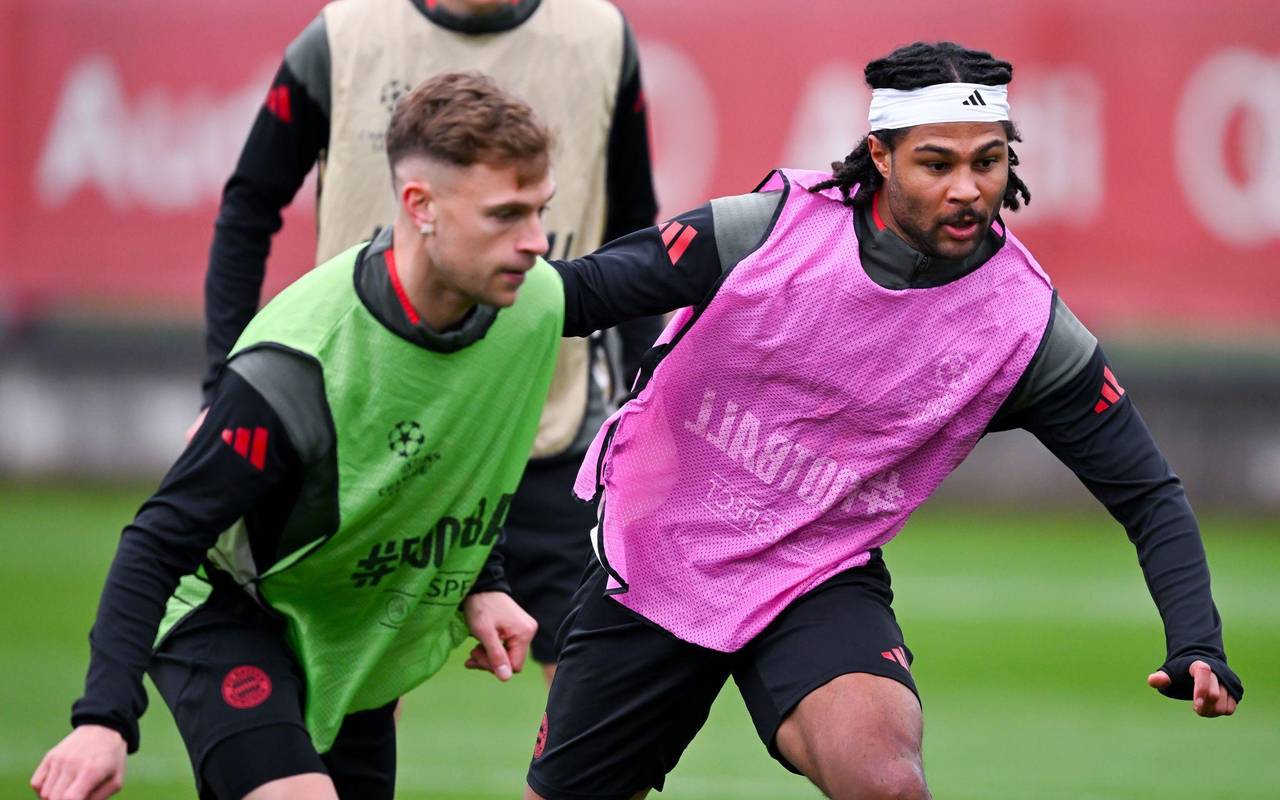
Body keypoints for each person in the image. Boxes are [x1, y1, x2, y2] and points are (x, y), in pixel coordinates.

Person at [521, 41, 1245, 800]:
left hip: (816, 570)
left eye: (988, 161)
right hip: (661, 553)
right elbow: (569, 298)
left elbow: (1147, 492)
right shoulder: (761, 233)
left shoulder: (1024, 326)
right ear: (881, 156)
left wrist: (1197, 638)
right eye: (937, 164)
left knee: (888, 787)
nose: (968, 188)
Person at [30, 72, 674, 800]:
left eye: (540, 212)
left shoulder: (525, 304)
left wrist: (482, 582)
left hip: (351, 630)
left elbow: (443, 454)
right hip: (231, 612)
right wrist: (103, 719)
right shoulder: (300, 365)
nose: (535, 242)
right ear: (419, 206)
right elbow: (158, 540)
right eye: (506, 215)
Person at [201, 0, 660, 682]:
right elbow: (249, 206)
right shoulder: (344, 36)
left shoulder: (599, 35)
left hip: (544, 426)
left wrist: (643, 403)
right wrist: (223, 391)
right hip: (362, 431)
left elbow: (631, 228)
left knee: (598, 695)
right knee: (353, 684)